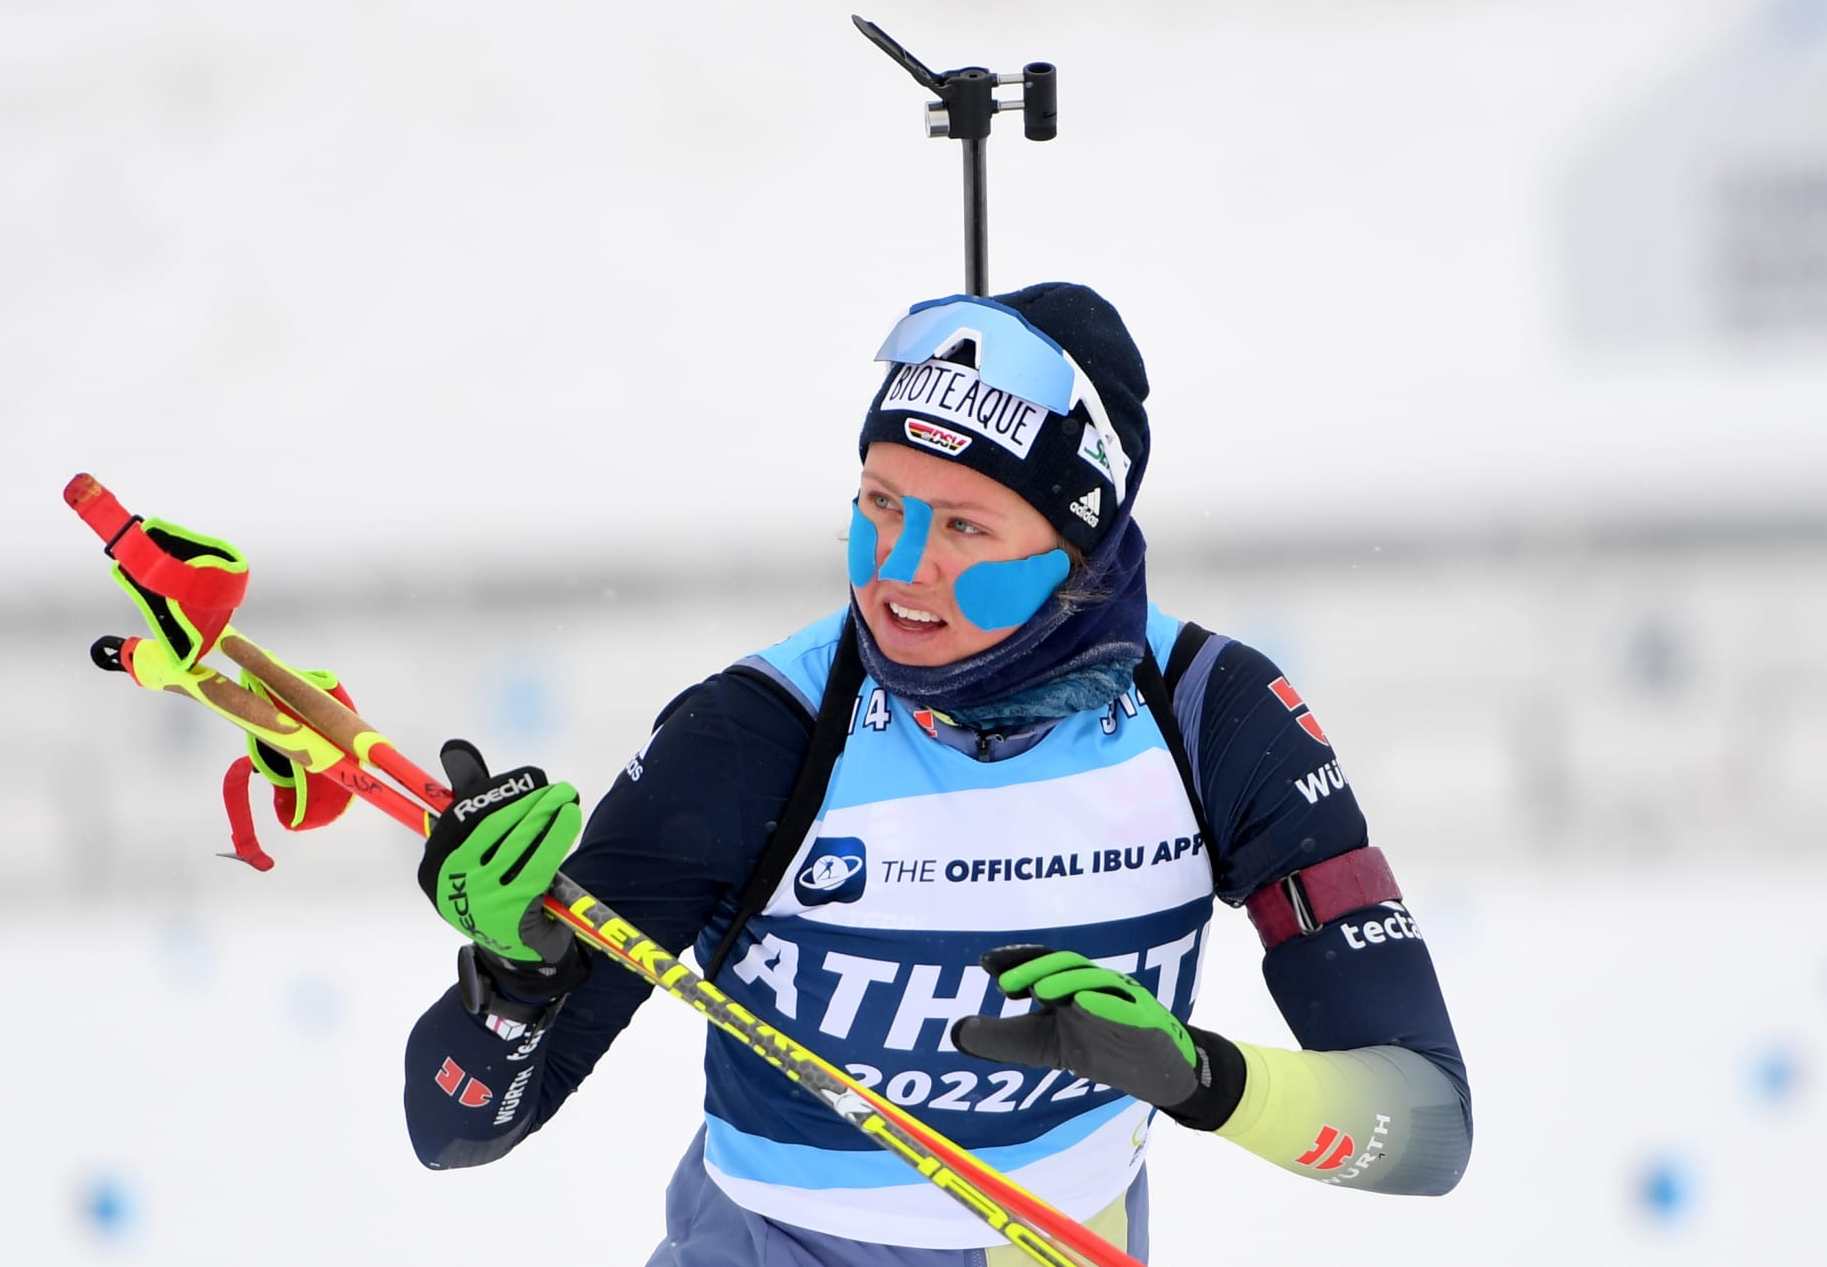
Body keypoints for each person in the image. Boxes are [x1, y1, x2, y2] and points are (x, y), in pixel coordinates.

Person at [403, 283, 1472, 1265]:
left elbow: (1426, 1125)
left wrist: (1199, 1077)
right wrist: (515, 981)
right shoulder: (757, 733)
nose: (900, 564)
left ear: (1079, 548)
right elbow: (457, 1129)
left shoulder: (1215, 717)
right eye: (879, 503)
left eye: (963, 524)